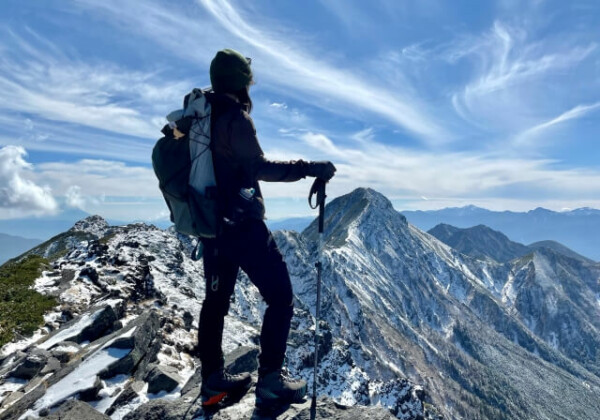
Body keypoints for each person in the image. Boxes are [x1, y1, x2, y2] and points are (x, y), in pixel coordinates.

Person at [196, 49, 336, 409]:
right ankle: (271, 382)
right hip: (242, 224)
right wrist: (309, 168)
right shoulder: (234, 117)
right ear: (241, 83)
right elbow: (259, 167)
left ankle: (212, 383)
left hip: (210, 226)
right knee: (281, 298)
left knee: (215, 303)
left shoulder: (198, 117)